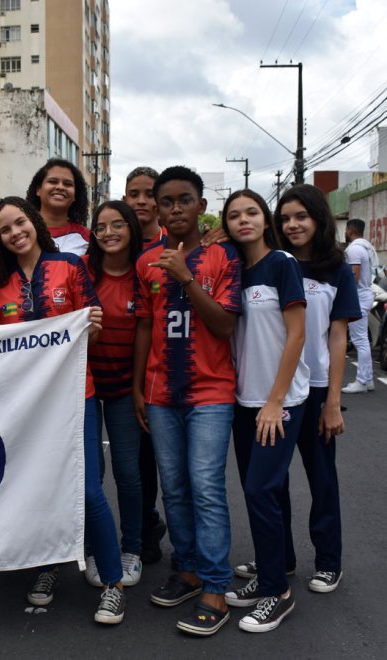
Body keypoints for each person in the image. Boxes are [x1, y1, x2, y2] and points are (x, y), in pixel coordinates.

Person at [0, 196, 125, 625]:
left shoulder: (69, 266)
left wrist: (94, 329)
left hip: (75, 395)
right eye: (6, 228)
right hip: (26, 406)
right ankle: (48, 568)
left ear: (34, 223)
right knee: (39, 488)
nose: (15, 232)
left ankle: (113, 584)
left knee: (87, 490)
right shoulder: (0, 286)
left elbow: (91, 333)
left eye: (20, 222)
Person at [232, 184, 358, 596]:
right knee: (274, 482)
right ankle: (279, 559)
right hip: (278, 386)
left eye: (301, 216)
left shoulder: (334, 268)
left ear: (319, 219)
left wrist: (334, 401)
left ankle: (328, 562)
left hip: (316, 388)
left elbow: (337, 337)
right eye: (285, 218)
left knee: (321, 478)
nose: (292, 224)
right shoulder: (268, 263)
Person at [133, 166, 241, 636]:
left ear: (201, 205)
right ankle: (191, 569)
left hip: (211, 392)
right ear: (157, 209)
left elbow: (224, 325)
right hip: (160, 393)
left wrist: (186, 277)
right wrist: (139, 387)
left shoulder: (224, 257)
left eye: (185, 199)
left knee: (206, 488)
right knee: (174, 487)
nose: (176, 208)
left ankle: (216, 586)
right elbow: (144, 326)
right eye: (167, 201)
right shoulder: (144, 262)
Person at [221, 190, 308, 633]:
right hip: (243, 400)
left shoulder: (282, 264)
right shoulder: (235, 270)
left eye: (251, 212)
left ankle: (276, 592)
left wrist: (275, 401)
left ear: (265, 217)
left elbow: (296, 336)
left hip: (280, 401)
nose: (243, 220)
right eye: (234, 215)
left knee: (258, 490)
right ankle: (282, 563)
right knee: (270, 491)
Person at [84, 201, 144, 588]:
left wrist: (139, 389)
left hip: (125, 388)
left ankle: (132, 548)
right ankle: (94, 548)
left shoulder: (144, 272)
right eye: (101, 226)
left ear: (131, 228)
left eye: (117, 225)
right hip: (86, 386)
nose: (108, 233)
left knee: (128, 473)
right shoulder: (83, 270)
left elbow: (146, 333)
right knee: (92, 476)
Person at [121, 166, 167, 564]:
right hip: (111, 367)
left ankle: (149, 526)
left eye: (148, 193)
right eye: (132, 193)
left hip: (162, 372)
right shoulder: (114, 244)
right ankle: (143, 523)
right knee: (129, 460)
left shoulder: (176, 246)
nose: (140, 201)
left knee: (149, 457)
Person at [25, 158, 91, 256]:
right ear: (38, 190)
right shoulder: (21, 230)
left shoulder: (87, 237)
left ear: (75, 196)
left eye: (68, 184)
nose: (60, 187)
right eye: (53, 181)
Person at [341, 218, 377, 393]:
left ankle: (362, 381)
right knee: (361, 340)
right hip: (364, 295)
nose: (345, 233)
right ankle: (368, 379)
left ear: (350, 230)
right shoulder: (366, 247)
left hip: (358, 297)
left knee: (360, 340)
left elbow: (353, 277)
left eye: (346, 230)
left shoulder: (354, 249)